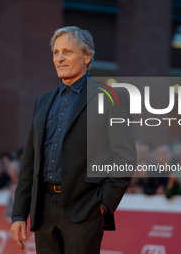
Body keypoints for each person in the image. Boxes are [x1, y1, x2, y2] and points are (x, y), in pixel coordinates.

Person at [10, 26, 136, 254]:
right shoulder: (42, 102)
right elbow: (30, 161)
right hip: (44, 212)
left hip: (84, 210)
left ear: (86, 56)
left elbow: (125, 157)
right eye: (56, 52)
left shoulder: (110, 97)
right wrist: (19, 213)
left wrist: (102, 205)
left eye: (67, 51)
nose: (59, 58)